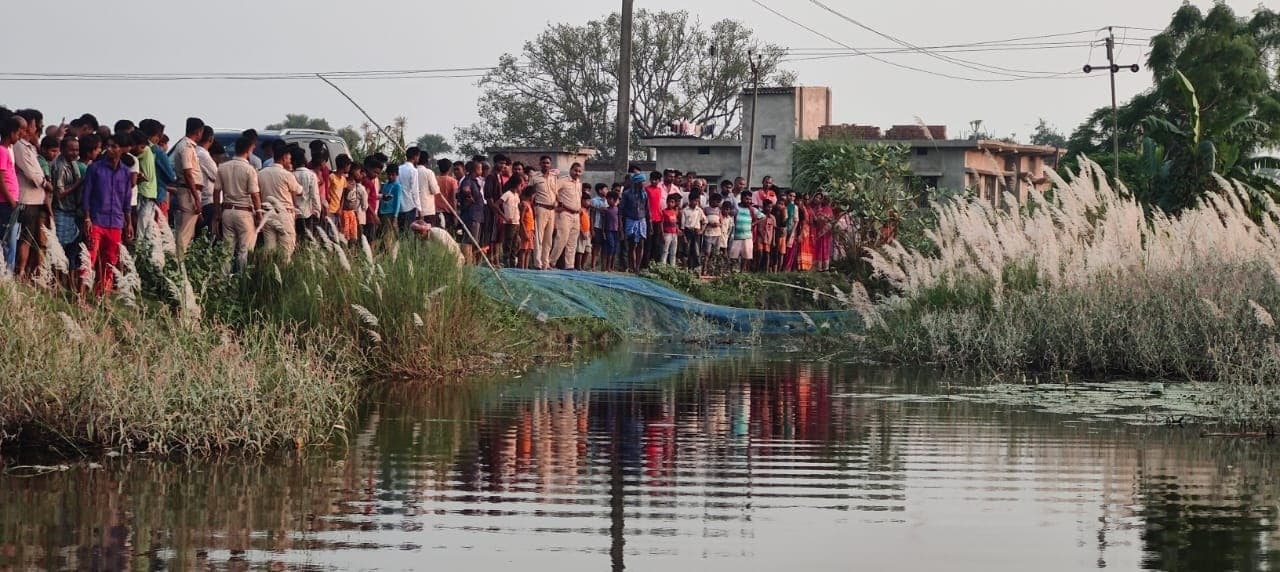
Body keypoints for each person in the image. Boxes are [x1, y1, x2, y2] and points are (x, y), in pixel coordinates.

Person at [80, 134, 132, 296]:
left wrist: (128, 223)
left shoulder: (125, 172)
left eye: (114, 146)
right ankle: (80, 295)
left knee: (110, 261)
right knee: (90, 257)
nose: (109, 149)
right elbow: (86, 195)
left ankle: (101, 295)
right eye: (107, 146)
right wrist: (87, 218)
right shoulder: (95, 168)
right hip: (96, 219)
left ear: (121, 150)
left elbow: (127, 200)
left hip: (116, 222)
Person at [215, 136, 261, 272]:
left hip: (227, 211)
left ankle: (223, 280)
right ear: (248, 150)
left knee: (227, 250)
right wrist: (259, 213)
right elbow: (255, 194)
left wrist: (217, 213)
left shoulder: (222, 167)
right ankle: (241, 280)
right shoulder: (249, 169)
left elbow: (216, 191)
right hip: (244, 213)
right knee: (244, 250)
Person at [13, 110, 50, 279]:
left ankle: (25, 272)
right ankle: (19, 272)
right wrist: (44, 182)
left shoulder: (30, 147)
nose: (36, 129)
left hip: (36, 200)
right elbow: (32, 173)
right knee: (25, 238)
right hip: (26, 198)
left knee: (32, 240)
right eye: (35, 125)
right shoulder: (20, 146)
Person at [256, 141, 302, 260]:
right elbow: (299, 190)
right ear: (283, 158)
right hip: (284, 214)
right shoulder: (287, 175)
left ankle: (268, 272)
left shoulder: (261, 173)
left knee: (269, 249)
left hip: (267, 214)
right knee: (286, 249)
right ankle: (283, 273)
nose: (290, 161)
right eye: (289, 159)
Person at [50, 136, 82, 284]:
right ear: (62, 150)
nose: (74, 153)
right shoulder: (60, 166)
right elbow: (59, 193)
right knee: (59, 247)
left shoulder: (73, 163)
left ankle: (64, 280)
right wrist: (77, 184)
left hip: (71, 211)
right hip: (61, 210)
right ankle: (54, 280)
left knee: (72, 248)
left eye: (76, 149)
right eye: (71, 150)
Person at [171, 117, 205, 254]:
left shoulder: (187, 146)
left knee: (187, 232)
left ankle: (181, 260)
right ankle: (179, 262)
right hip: (189, 191)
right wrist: (196, 198)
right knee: (185, 232)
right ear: (198, 131)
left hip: (190, 190)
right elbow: (188, 173)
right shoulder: (186, 147)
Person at [548, 162, 583, 270]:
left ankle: (569, 265)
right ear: (570, 170)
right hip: (565, 213)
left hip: (576, 214)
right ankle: (551, 262)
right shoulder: (563, 181)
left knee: (572, 242)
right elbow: (552, 190)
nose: (577, 173)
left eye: (579, 171)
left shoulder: (579, 183)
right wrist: (557, 205)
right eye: (575, 170)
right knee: (561, 239)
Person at [528, 156, 557, 270]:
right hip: (540, 208)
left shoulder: (554, 177)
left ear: (550, 164)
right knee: (539, 237)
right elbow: (529, 193)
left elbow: (555, 192)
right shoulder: (535, 177)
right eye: (544, 163)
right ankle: (537, 263)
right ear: (540, 164)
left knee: (548, 238)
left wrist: (557, 202)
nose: (546, 165)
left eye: (548, 163)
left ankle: (546, 262)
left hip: (552, 210)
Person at [619, 173, 649, 273]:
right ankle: (632, 266)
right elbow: (621, 211)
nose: (644, 184)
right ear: (637, 183)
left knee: (641, 244)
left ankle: (637, 267)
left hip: (642, 220)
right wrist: (621, 226)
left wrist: (650, 223)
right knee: (632, 245)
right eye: (642, 182)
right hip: (631, 220)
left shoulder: (644, 194)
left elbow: (647, 209)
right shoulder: (627, 194)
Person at [457, 160, 485, 263]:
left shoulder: (474, 181)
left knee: (473, 240)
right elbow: (465, 189)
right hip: (471, 215)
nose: (481, 170)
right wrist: (469, 197)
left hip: (476, 215)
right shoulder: (468, 180)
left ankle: (470, 261)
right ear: (475, 169)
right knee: (469, 240)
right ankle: (467, 262)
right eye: (480, 168)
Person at [0, 116, 18, 272]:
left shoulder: (6, 151)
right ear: (11, 133)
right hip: (5, 203)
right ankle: (6, 273)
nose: (18, 137)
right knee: (7, 241)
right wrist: (11, 200)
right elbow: (1, 180)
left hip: (9, 202)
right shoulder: (2, 151)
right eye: (18, 133)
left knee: (11, 240)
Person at [290, 147, 319, 238]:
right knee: (307, 238)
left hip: (293, 213)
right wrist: (317, 210)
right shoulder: (311, 175)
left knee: (295, 238)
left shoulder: (291, 175)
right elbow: (314, 195)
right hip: (307, 212)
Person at [195, 128, 220, 235]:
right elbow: (217, 176)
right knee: (207, 235)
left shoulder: (193, 150)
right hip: (207, 201)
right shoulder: (203, 155)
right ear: (211, 139)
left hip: (197, 198)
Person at [729, 190, 759, 272]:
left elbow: (762, 217)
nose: (748, 201)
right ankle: (732, 271)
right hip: (736, 236)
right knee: (733, 256)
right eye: (746, 199)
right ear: (742, 198)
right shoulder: (736, 208)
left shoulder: (752, 209)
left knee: (745, 256)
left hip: (747, 236)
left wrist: (753, 223)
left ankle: (742, 272)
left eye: (750, 199)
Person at [498, 174, 522, 268]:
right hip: (509, 223)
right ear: (516, 185)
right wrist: (505, 217)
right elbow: (497, 204)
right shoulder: (507, 194)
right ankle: (506, 263)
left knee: (515, 244)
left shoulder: (516, 195)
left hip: (516, 222)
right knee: (508, 243)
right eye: (520, 185)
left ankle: (512, 264)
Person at [680, 189, 707, 271]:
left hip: (696, 232)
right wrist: (683, 236)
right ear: (690, 200)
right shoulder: (685, 210)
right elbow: (682, 226)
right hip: (688, 231)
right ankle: (685, 268)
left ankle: (696, 268)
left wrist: (702, 231)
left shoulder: (699, 210)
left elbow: (705, 221)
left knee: (696, 251)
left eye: (697, 201)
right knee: (686, 250)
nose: (696, 203)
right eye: (694, 201)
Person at [340, 165, 365, 242]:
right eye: (358, 171)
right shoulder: (345, 181)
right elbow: (342, 197)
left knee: (353, 235)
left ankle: (352, 252)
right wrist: (340, 209)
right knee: (345, 235)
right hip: (345, 212)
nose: (359, 173)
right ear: (352, 170)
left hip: (352, 212)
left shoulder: (354, 182)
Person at [397, 148, 420, 231]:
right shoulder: (413, 171)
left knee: (401, 231)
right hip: (410, 205)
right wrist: (419, 208)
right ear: (415, 157)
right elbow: (415, 191)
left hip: (399, 206)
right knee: (409, 232)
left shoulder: (399, 169)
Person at [327, 154, 351, 231]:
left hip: (337, 210)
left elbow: (343, 195)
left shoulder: (343, 179)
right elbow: (327, 191)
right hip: (330, 209)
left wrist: (340, 209)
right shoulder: (331, 177)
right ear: (344, 166)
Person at [378, 164, 402, 236]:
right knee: (384, 232)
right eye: (389, 175)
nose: (390, 177)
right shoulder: (385, 184)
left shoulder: (397, 186)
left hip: (390, 213)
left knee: (388, 233)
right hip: (383, 212)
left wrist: (395, 216)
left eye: (393, 175)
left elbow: (397, 202)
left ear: (397, 174)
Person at [703, 192, 724, 272]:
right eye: (717, 201)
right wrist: (709, 223)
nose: (718, 203)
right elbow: (702, 219)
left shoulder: (719, 210)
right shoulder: (706, 209)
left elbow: (721, 221)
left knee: (715, 252)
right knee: (707, 252)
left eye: (719, 202)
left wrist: (718, 224)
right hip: (708, 233)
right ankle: (704, 268)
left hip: (717, 233)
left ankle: (712, 268)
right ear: (711, 201)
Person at [435, 158, 457, 230]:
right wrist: (455, 214)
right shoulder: (452, 181)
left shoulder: (434, 179)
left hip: (435, 212)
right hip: (447, 212)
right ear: (449, 169)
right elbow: (454, 199)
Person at [417, 151, 439, 227]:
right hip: (427, 210)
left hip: (414, 210)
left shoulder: (413, 171)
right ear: (427, 161)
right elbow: (435, 190)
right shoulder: (429, 173)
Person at [589, 183, 608, 270]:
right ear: (600, 190)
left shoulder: (608, 200)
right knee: (596, 246)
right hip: (597, 225)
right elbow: (592, 214)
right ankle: (593, 265)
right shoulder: (594, 201)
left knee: (604, 247)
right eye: (605, 189)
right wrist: (592, 228)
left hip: (606, 227)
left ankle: (603, 267)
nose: (607, 191)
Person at [658, 193, 680, 266]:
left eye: (672, 202)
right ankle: (663, 266)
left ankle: (672, 267)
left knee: (673, 252)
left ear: (674, 203)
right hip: (667, 233)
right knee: (665, 251)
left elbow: (675, 223)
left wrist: (678, 230)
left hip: (674, 234)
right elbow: (661, 223)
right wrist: (662, 234)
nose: (670, 204)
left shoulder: (674, 212)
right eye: (669, 202)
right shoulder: (664, 212)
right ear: (667, 202)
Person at [601, 191, 620, 272]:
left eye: (610, 199)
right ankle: (606, 267)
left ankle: (610, 266)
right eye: (607, 199)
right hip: (608, 230)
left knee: (614, 249)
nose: (608, 200)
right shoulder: (606, 210)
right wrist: (603, 232)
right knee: (610, 247)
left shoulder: (618, 210)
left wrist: (621, 231)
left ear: (615, 200)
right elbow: (603, 222)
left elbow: (619, 221)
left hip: (616, 231)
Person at [518, 187, 535, 269]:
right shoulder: (524, 205)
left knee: (529, 249)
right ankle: (522, 267)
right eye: (533, 196)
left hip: (530, 230)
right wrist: (524, 232)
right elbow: (521, 220)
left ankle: (526, 267)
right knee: (524, 249)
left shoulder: (530, 205)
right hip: (526, 230)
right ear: (530, 195)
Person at [575, 193, 592, 270]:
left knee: (588, 249)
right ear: (582, 201)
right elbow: (578, 222)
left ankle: (582, 265)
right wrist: (582, 231)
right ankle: (578, 266)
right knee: (580, 250)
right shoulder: (580, 210)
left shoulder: (587, 211)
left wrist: (590, 232)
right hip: (581, 231)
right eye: (587, 201)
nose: (589, 202)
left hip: (587, 231)